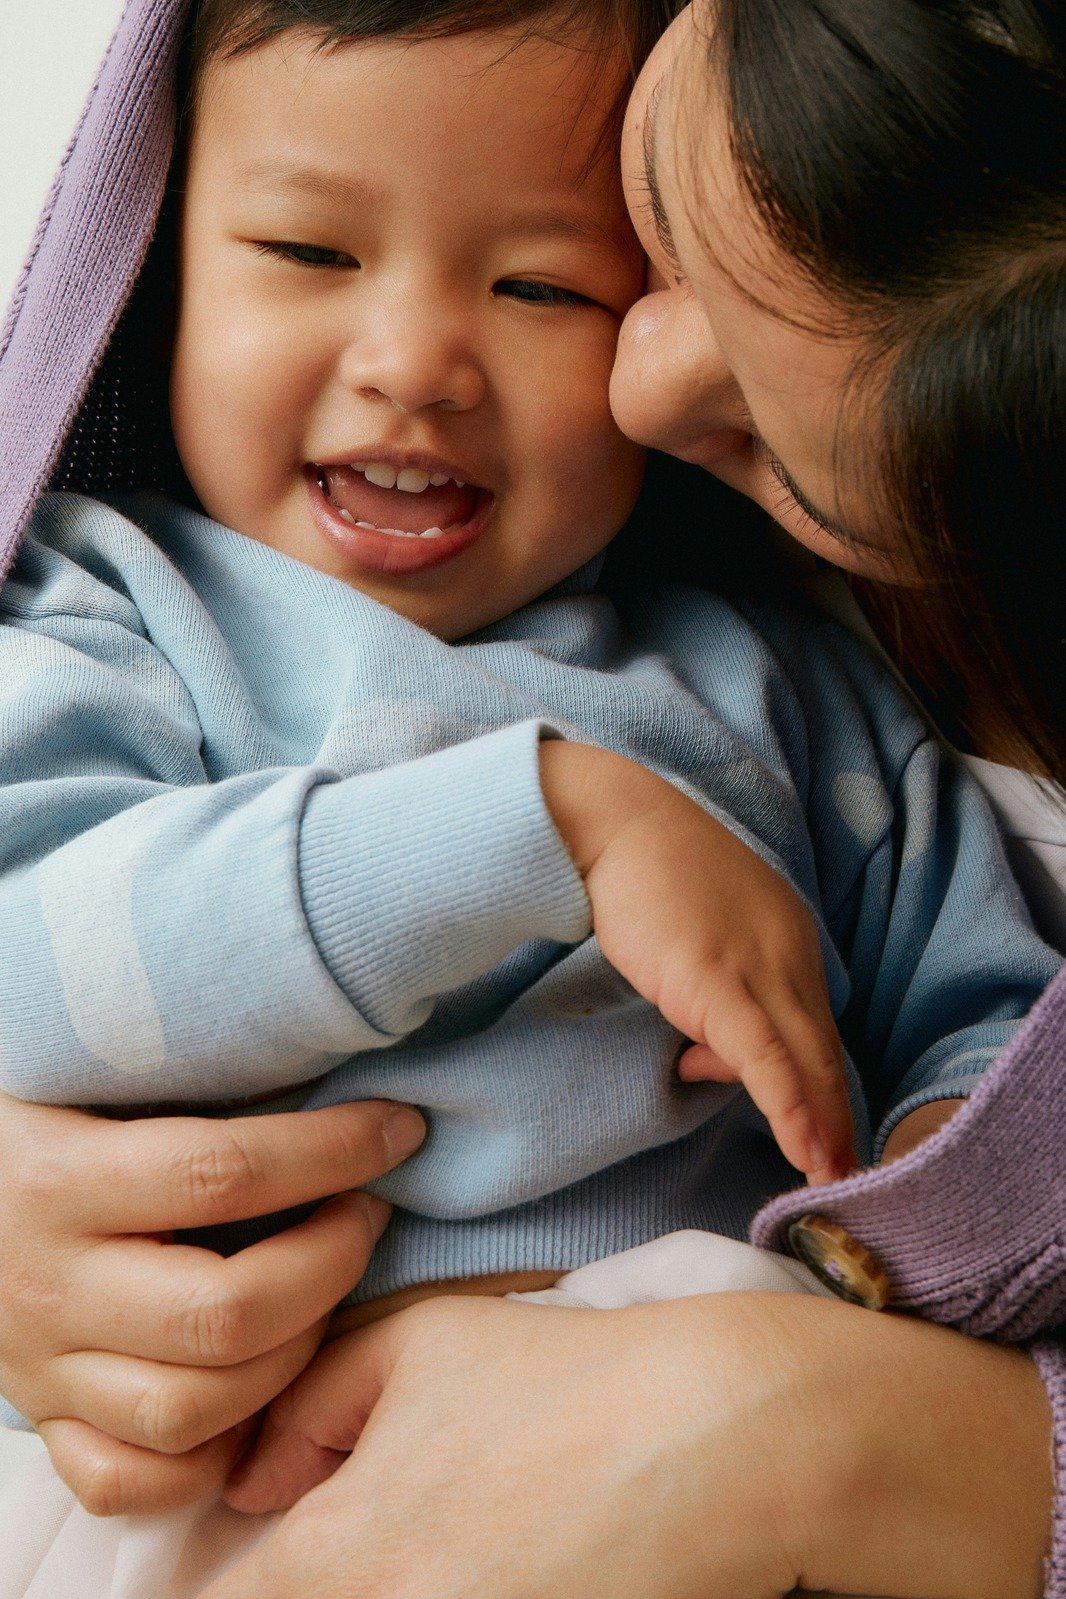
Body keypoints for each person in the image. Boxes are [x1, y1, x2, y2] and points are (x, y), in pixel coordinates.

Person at [0, 6, 1061, 1599]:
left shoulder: (783, 686)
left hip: (708, 1443)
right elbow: (31, 968)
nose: (416, 361)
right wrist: (540, 827)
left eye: (545, 286)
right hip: (196, 1478)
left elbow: (988, 1020)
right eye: (302, 249)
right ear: (157, 269)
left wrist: (905, 1221)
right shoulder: (113, 610)